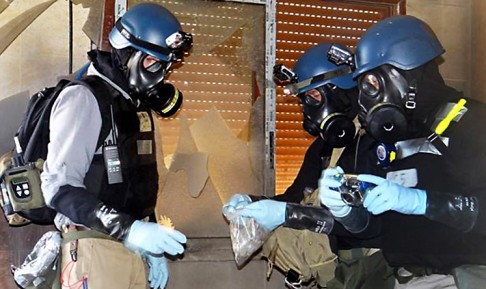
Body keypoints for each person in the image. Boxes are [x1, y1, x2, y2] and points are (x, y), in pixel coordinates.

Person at [319, 15, 486, 288]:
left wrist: (421, 202)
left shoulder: (474, 124)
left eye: (373, 84)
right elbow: (383, 230)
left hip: (458, 279)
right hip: (404, 278)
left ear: (409, 75)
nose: (364, 100)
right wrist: (348, 212)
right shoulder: (400, 138)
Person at [39, 3, 193, 289]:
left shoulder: (132, 106)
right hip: (94, 248)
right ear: (127, 54)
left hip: (130, 247)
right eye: (152, 63)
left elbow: (134, 184)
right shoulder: (84, 99)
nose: (160, 76)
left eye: (165, 66)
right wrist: (131, 229)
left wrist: (147, 239)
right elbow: (58, 188)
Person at [222, 42, 360, 244]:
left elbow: (365, 224)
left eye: (313, 96)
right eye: (303, 100)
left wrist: (289, 214)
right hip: (339, 270)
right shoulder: (321, 149)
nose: (307, 110)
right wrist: (253, 203)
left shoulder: (373, 143)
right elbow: (295, 197)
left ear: (340, 91)